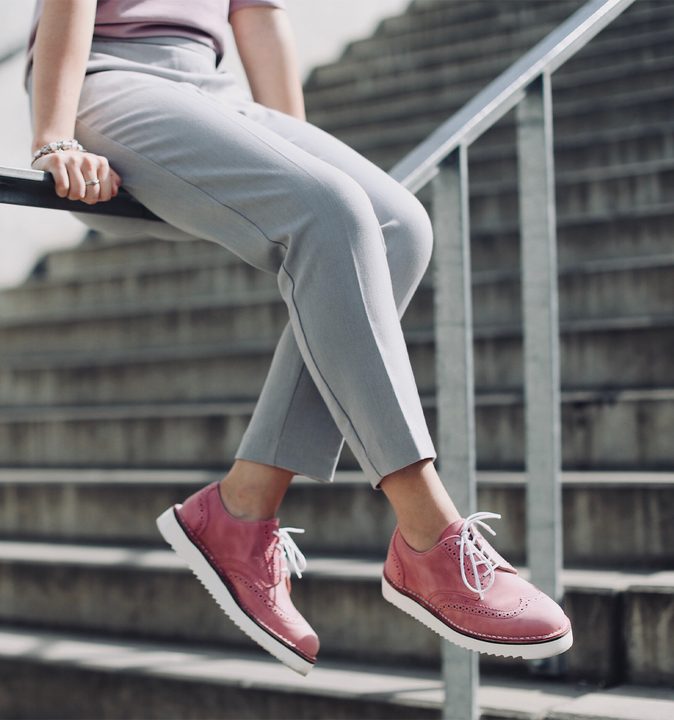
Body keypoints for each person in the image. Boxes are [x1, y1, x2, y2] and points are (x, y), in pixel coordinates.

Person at [28, 0, 572, 676]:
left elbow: (256, 12)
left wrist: (301, 164)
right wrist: (53, 134)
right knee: (333, 214)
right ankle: (429, 534)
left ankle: (240, 510)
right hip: (113, 78)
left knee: (399, 225)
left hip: (216, 87)